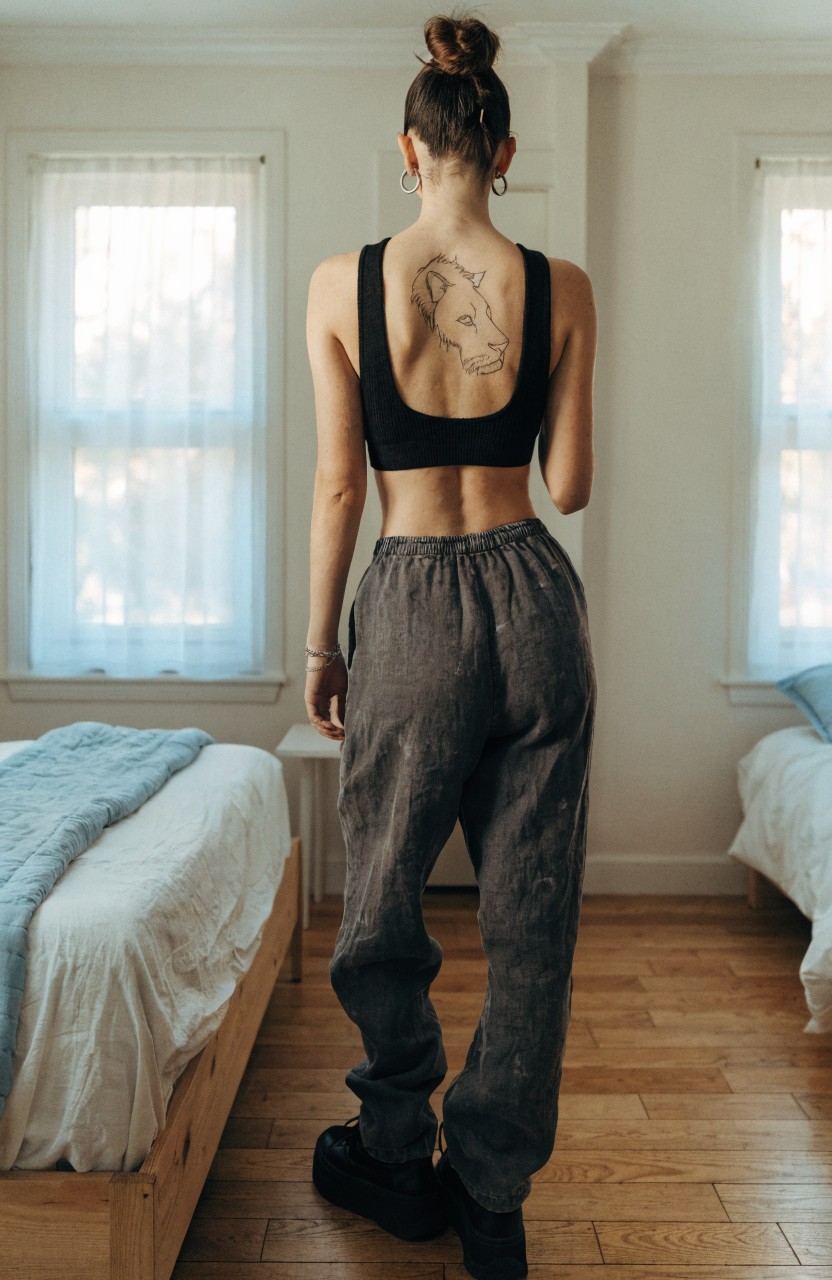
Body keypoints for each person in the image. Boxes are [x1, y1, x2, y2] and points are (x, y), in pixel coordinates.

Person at [303, 13, 597, 1280]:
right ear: (507, 150)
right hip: (536, 596)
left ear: (410, 150)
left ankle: (389, 1144)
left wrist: (324, 641)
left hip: (412, 598)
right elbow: (572, 485)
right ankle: (489, 1195)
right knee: (530, 913)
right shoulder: (565, 285)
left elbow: (336, 488)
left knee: (380, 897)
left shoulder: (339, 282)